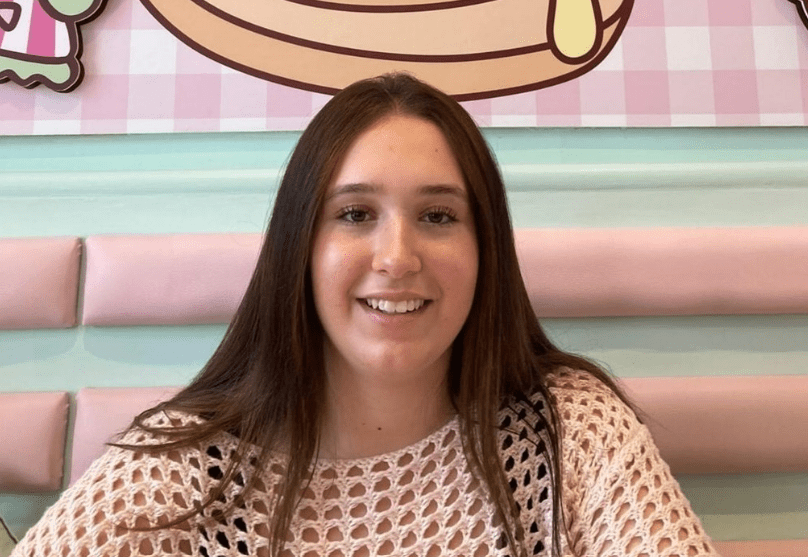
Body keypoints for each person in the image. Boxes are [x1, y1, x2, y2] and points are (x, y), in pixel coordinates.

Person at [12, 73, 719, 557]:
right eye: (355, 214)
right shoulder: (189, 467)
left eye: (438, 215)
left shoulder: (573, 434)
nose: (398, 255)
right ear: (301, 245)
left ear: (487, 248)